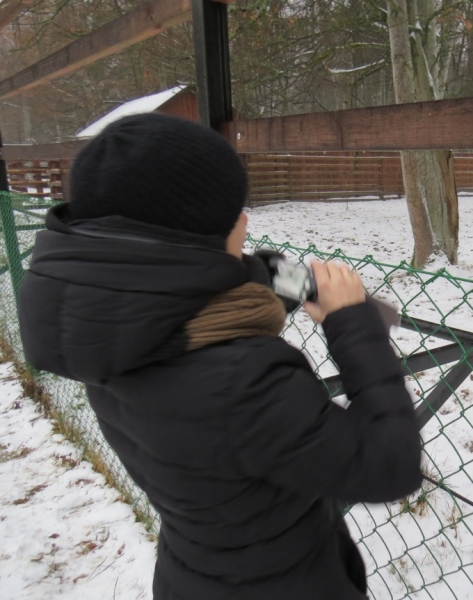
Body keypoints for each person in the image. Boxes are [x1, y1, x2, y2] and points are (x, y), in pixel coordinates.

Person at [18, 113, 422, 599]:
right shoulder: (245, 380)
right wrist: (352, 324)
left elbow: (191, 287)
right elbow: (390, 465)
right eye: (234, 212)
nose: (246, 219)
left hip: (192, 575)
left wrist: (270, 273)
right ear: (198, 238)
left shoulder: (104, 328)